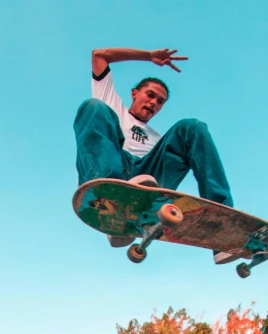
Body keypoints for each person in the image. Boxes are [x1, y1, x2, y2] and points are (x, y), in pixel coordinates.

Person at [74, 47, 234, 263]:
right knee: (93, 107)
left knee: (192, 127)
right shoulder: (112, 104)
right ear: (134, 93)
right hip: (112, 169)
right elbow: (98, 56)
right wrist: (148, 56)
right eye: (150, 95)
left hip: (147, 178)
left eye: (160, 102)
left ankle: (222, 227)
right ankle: (111, 194)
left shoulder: (161, 142)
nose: (153, 103)